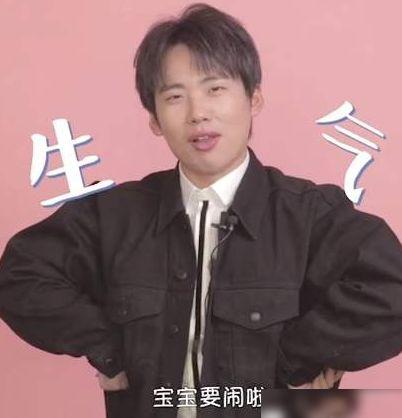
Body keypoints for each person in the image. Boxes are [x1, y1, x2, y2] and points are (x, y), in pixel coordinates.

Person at [0, 2, 402, 418]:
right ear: (155, 119)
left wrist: (297, 361)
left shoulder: (308, 215)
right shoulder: (115, 216)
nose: (198, 113)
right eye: (175, 97)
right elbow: (20, 275)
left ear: (254, 98)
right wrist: (106, 350)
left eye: (215, 89)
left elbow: (393, 289)